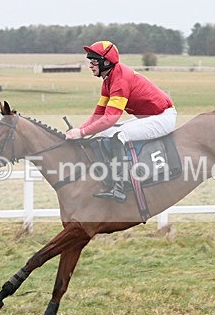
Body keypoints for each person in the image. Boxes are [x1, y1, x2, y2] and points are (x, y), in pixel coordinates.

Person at [64, 41, 177, 202]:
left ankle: (120, 186)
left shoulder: (120, 80)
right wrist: (79, 132)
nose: (90, 65)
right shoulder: (108, 80)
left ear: (106, 62)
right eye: (90, 61)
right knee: (104, 132)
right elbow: (98, 115)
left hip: (163, 118)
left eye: (94, 61)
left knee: (117, 134)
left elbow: (110, 118)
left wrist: (81, 133)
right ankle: (109, 176)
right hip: (151, 116)